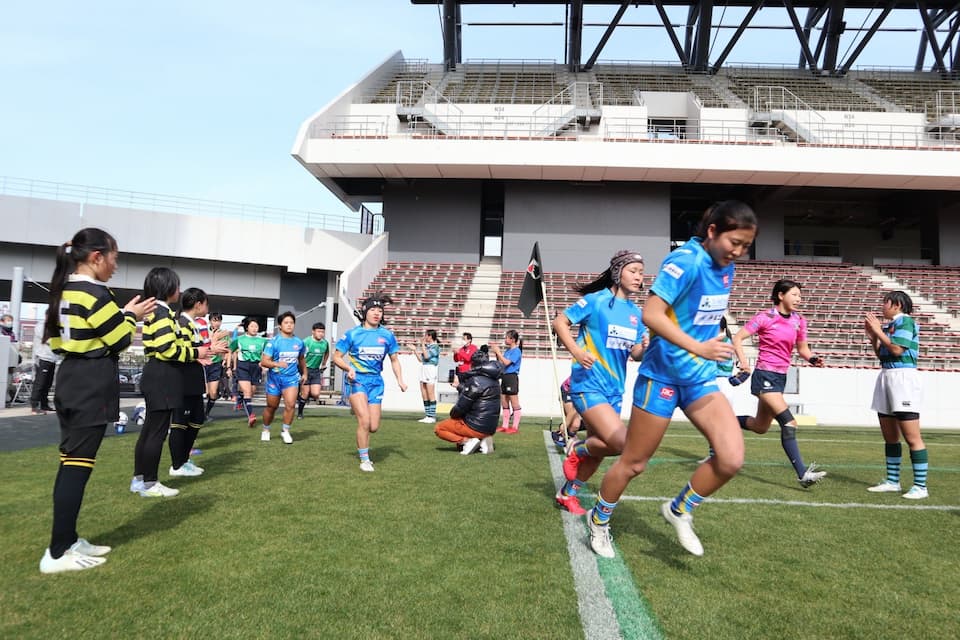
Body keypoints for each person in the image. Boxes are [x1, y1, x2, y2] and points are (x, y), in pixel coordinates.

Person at [586, 200, 757, 558]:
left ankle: (679, 509)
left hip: (699, 381)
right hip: (660, 378)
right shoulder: (685, 261)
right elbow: (651, 314)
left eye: (745, 246)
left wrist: (725, 347)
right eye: (734, 243)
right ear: (712, 231)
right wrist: (699, 346)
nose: (738, 252)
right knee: (634, 463)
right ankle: (599, 520)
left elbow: (704, 313)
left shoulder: (726, 266)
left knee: (730, 459)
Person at [39, 228, 155, 573]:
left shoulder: (62, 292)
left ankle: (68, 539)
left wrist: (120, 316)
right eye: (114, 259)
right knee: (77, 467)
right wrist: (130, 316)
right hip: (90, 383)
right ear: (96, 257)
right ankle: (58, 551)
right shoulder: (94, 292)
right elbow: (119, 339)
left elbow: (57, 344)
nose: (116, 266)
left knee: (70, 464)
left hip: (70, 380)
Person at [554, 250, 649, 516]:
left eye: (641, 273)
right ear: (618, 272)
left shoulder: (636, 313)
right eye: (633, 271)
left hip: (616, 390)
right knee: (622, 442)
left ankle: (567, 494)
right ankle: (576, 448)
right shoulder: (596, 301)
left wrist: (644, 346)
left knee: (599, 452)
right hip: (588, 385)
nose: (638, 277)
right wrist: (575, 351)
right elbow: (560, 321)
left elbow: (635, 355)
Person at [725, 279, 827, 487]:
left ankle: (722, 421)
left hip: (780, 377)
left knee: (760, 426)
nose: (799, 299)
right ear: (781, 295)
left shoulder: (799, 320)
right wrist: (744, 364)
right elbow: (737, 338)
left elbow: (803, 349)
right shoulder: (765, 317)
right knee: (789, 423)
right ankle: (802, 474)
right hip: (764, 376)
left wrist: (813, 358)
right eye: (794, 294)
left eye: (800, 295)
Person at [133, 269, 217, 498]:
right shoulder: (161, 312)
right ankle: (149, 482)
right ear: (168, 288)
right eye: (177, 287)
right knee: (156, 433)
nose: (179, 292)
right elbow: (168, 349)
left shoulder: (159, 311)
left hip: (157, 373)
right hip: (162, 375)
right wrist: (198, 351)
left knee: (150, 430)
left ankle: (140, 479)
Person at [864, 291, 928, 499]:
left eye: (885, 303)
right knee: (890, 435)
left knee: (911, 436)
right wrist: (874, 337)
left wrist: (877, 331)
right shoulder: (888, 325)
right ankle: (893, 481)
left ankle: (921, 486)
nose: (882, 306)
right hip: (886, 375)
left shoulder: (906, 322)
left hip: (903, 378)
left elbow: (898, 350)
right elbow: (882, 354)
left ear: (897, 305)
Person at [333, 293, 407, 472]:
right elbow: (336, 357)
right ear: (365, 312)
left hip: (376, 382)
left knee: (373, 426)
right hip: (358, 380)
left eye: (379, 310)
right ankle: (365, 459)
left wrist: (400, 380)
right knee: (364, 421)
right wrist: (348, 369)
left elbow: (394, 359)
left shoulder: (387, 335)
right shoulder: (353, 334)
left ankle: (357, 408)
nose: (376, 313)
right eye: (373, 309)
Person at [169, 288, 226, 477]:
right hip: (183, 380)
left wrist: (211, 347)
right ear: (198, 304)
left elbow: (197, 351)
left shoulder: (192, 324)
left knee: (196, 420)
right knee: (180, 423)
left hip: (193, 378)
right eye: (206, 304)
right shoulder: (182, 323)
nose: (207, 308)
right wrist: (210, 347)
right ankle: (177, 465)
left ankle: (184, 460)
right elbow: (185, 352)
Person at [434, 346, 501, 455]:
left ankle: (469, 441)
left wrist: (453, 415)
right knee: (458, 445)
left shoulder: (475, 380)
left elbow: (461, 407)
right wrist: (460, 387)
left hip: (475, 426)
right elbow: (476, 394)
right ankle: (484, 440)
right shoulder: (495, 381)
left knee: (439, 428)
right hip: (490, 427)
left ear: (473, 364)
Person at [260, 311, 306, 443]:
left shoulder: (299, 342)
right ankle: (266, 429)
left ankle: (285, 431)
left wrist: (305, 373)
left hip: (291, 379)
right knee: (271, 407)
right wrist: (276, 363)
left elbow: (301, 359)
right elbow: (264, 361)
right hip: (275, 378)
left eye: (291, 322)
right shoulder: (273, 342)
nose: (289, 325)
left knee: (291, 405)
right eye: (286, 322)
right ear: (280, 325)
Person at [230, 317, 268, 428]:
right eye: (252, 326)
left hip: (256, 367)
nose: (255, 328)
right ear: (247, 327)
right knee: (247, 392)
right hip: (243, 366)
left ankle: (241, 399)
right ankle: (251, 416)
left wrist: (264, 363)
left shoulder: (262, 340)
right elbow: (230, 350)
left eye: (256, 326)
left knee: (251, 392)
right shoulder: (240, 339)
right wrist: (229, 366)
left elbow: (266, 353)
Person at [491, 329, 522, 433]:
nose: (505, 339)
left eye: (507, 337)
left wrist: (498, 352)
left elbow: (507, 362)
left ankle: (515, 427)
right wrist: (497, 353)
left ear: (512, 339)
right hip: (504, 376)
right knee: (504, 401)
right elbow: (501, 362)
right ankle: (504, 425)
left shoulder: (517, 351)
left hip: (511, 377)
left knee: (514, 401)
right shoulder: (508, 351)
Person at [297, 321, 330, 418]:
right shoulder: (306, 342)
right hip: (305, 369)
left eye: (322, 332)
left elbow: (327, 353)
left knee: (316, 394)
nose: (321, 334)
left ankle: (301, 396)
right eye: (319, 331)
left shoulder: (325, 343)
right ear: (313, 332)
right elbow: (299, 355)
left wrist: (323, 363)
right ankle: (300, 413)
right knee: (305, 393)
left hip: (315, 370)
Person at [203, 312, 230, 419]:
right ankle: (199, 414)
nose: (217, 323)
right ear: (210, 321)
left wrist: (227, 364)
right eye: (214, 320)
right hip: (204, 363)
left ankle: (206, 413)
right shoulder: (204, 331)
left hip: (216, 364)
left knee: (213, 393)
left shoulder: (224, 334)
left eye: (219, 320)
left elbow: (228, 350)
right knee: (205, 391)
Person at [411, 329, 441, 423]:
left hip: (430, 369)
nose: (424, 337)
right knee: (424, 393)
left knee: (430, 393)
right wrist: (415, 350)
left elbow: (427, 357)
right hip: (424, 368)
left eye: (426, 335)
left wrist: (422, 344)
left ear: (430, 336)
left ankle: (432, 416)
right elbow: (421, 359)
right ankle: (427, 415)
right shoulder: (428, 347)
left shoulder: (435, 347)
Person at [550, 376, 584, 450]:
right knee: (575, 424)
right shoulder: (583, 380)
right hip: (568, 390)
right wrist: (565, 425)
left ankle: (568, 436)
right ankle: (564, 437)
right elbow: (574, 408)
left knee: (576, 425)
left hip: (582, 393)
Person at [30, 336, 59, 414]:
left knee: (48, 384)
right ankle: (34, 407)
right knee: (40, 383)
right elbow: (48, 340)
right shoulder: (41, 326)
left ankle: (44, 405)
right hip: (43, 358)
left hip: (52, 359)